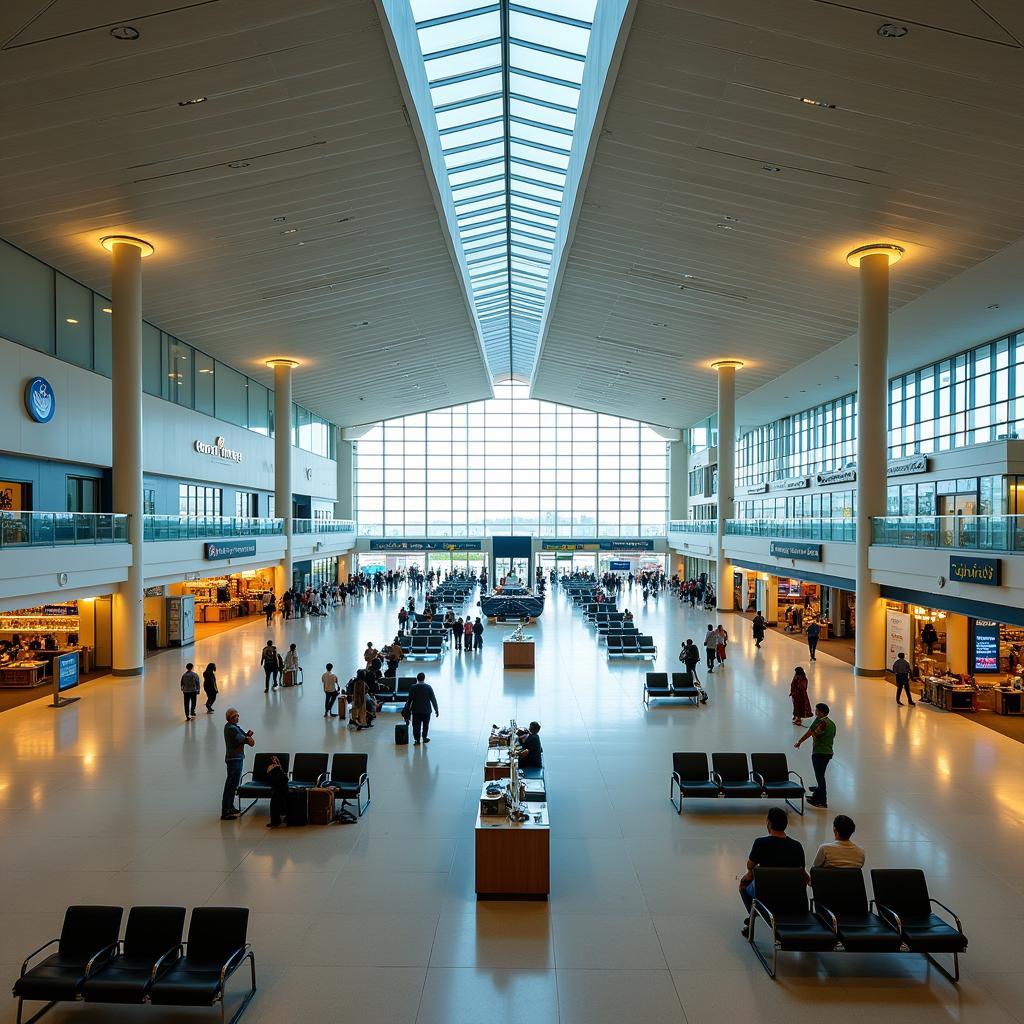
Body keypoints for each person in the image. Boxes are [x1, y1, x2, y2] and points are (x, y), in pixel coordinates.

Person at [738, 807, 806, 937]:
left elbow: (750, 865)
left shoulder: (760, 843)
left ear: (768, 823)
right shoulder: (797, 846)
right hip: (791, 894)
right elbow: (801, 871)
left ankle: (754, 916)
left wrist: (750, 872)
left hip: (767, 893)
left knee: (743, 885)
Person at [795, 703, 836, 809]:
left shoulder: (822, 723)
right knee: (820, 775)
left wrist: (800, 741)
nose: (815, 711)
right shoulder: (832, 723)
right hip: (828, 752)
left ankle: (822, 800)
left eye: (816, 710)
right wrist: (800, 741)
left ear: (821, 712)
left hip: (819, 753)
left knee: (820, 777)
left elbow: (813, 733)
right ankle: (816, 795)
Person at [221, 707, 254, 821]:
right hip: (234, 759)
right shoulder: (231, 728)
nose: (237, 717)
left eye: (237, 715)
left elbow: (245, 737)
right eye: (234, 716)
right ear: (230, 718)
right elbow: (243, 739)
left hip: (236, 758)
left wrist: (247, 737)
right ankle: (226, 811)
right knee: (230, 785)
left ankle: (230, 807)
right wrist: (248, 738)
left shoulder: (234, 727)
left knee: (233, 784)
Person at [404, 671, 439, 744]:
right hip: (426, 711)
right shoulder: (428, 687)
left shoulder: (413, 687)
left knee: (416, 726)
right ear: (424, 678)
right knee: (425, 725)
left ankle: (417, 740)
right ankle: (424, 737)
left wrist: (407, 710)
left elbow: (409, 700)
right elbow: (433, 699)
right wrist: (436, 709)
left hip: (416, 711)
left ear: (417, 679)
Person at [266, 755, 290, 828]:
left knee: (276, 796)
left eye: (275, 759)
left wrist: (275, 766)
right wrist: (276, 766)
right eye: (273, 760)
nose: (274, 760)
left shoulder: (276, 769)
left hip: (277, 784)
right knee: (280, 793)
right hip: (280, 783)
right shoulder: (274, 768)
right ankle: (283, 818)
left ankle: (275, 821)